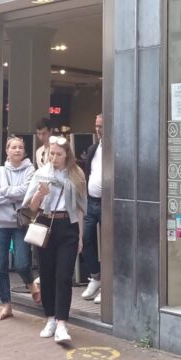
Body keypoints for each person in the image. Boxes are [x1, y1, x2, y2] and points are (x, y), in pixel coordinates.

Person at [23, 134, 87, 345]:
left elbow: (79, 208)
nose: (55, 157)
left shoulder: (76, 175)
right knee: (47, 274)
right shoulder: (41, 173)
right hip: (45, 223)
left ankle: (62, 323)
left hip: (67, 225)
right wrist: (40, 195)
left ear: (67, 154)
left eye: (59, 154)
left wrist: (80, 236)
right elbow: (30, 208)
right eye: (52, 153)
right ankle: (50, 318)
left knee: (64, 275)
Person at [0, 136, 36, 321]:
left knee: (22, 263)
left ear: (24, 151)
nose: (17, 150)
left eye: (20, 147)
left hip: (19, 224)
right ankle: (6, 305)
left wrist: (4, 191)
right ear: (7, 151)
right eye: (13, 147)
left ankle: (30, 283)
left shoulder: (30, 170)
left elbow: (26, 194)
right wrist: (13, 196)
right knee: (0, 268)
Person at [78, 114, 104, 303]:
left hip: (108, 203)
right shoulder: (94, 148)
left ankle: (109, 285)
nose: (98, 129)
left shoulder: (116, 148)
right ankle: (96, 277)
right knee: (85, 238)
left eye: (101, 126)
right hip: (91, 201)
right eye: (96, 125)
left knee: (110, 245)